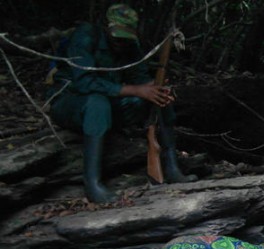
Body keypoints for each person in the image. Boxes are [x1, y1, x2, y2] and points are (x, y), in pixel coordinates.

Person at [48, 3, 195, 204]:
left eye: (125, 38)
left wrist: (156, 87)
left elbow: (140, 78)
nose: (120, 43)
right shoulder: (85, 36)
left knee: (160, 98)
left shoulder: (130, 46)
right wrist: (135, 90)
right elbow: (84, 83)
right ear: (106, 27)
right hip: (71, 104)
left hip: (109, 106)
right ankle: (93, 183)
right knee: (97, 103)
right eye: (116, 37)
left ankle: (171, 167)